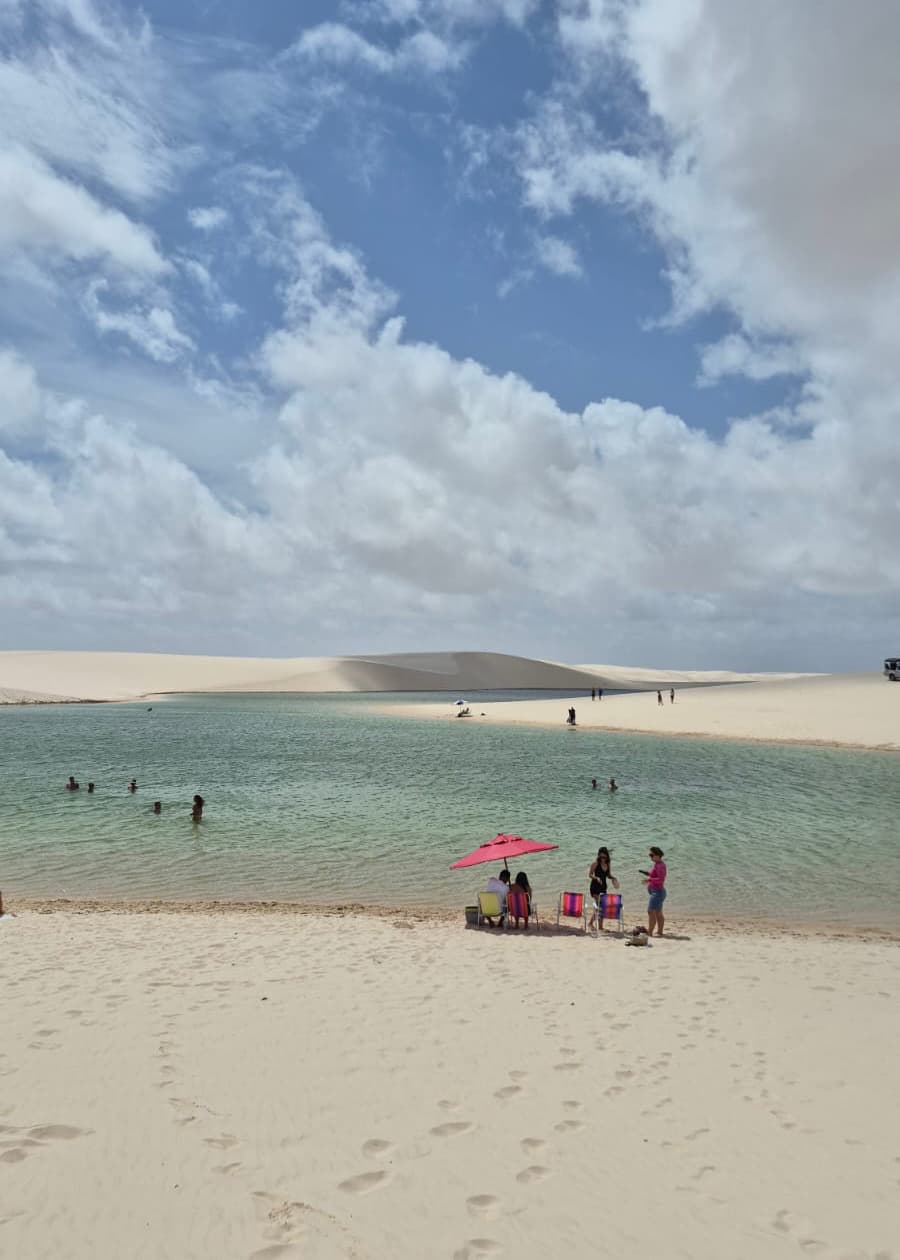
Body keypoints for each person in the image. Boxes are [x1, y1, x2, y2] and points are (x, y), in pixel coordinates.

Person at [588, 846, 620, 932]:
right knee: (600, 906)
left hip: (603, 887)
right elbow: (590, 875)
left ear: (607, 856)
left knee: (602, 906)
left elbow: (608, 875)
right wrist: (596, 878)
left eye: (604, 857)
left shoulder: (608, 864)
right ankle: (591, 923)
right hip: (595, 887)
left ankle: (600, 927)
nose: (602, 859)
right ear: (598, 856)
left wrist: (613, 878)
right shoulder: (595, 864)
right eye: (601, 857)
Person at [643, 846, 667, 937]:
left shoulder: (661, 865)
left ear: (657, 855)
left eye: (651, 855)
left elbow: (661, 879)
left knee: (650, 911)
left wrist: (649, 880)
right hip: (656, 891)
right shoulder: (657, 864)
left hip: (658, 892)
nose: (650, 857)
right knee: (658, 912)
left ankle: (650, 933)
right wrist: (647, 873)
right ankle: (660, 932)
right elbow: (654, 875)